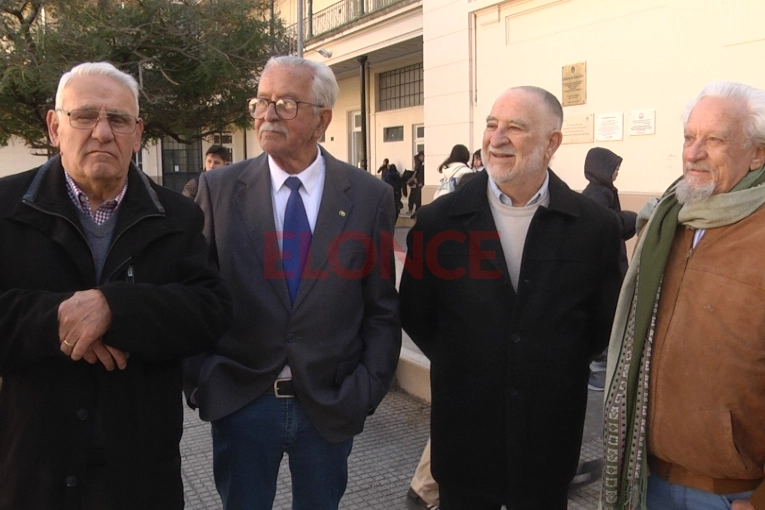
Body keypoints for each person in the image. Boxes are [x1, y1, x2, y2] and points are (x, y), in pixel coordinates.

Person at [0, 62, 232, 510]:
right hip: (34, 473)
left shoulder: (177, 217)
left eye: (119, 119)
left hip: (140, 478)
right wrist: (57, 319)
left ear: (138, 132)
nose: (102, 132)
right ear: (54, 125)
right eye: (85, 115)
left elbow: (211, 310)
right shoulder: (5, 210)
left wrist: (115, 310)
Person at [183, 55, 402, 510]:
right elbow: (194, 296)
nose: (266, 115)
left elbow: (380, 306)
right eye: (261, 101)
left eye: (285, 103)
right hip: (243, 402)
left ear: (322, 119)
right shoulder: (217, 189)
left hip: (328, 404)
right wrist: (202, 381)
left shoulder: (369, 196)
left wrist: (365, 391)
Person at [400, 85, 622, 509]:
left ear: (552, 142)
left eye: (515, 128)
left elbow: (602, 324)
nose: (496, 138)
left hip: (548, 440)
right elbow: (416, 312)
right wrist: (471, 360)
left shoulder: (594, 227)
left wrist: (544, 363)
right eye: (491, 124)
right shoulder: (438, 222)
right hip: (464, 438)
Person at [602, 82, 765, 510]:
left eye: (714, 139)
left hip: (734, 495)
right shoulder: (668, 220)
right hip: (647, 479)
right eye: (689, 137)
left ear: (758, 154)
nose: (693, 153)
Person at [581, 147, 637, 391]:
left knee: (611, 310)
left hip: (609, 261)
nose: (616, 172)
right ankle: (590, 363)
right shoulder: (599, 194)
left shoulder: (604, 192)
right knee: (606, 310)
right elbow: (609, 225)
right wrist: (633, 217)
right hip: (605, 263)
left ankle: (600, 356)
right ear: (601, 168)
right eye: (614, 167)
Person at [407, 150, 425, 217]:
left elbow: (424, 175)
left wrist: (421, 182)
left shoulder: (424, 165)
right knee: (417, 199)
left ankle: (417, 212)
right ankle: (416, 212)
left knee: (418, 199)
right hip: (418, 184)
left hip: (421, 185)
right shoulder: (420, 165)